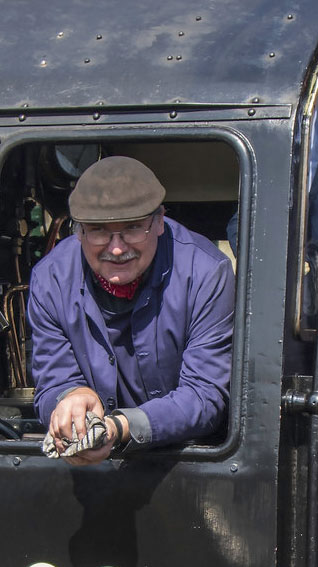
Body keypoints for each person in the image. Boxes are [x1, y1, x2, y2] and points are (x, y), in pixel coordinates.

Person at [27, 156, 234, 464]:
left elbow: (204, 396)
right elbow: (52, 383)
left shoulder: (207, 273)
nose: (117, 248)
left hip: (189, 459)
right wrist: (71, 399)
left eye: (133, 228)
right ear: (78, 231)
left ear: (160, 221)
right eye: (99, 231)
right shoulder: (50, 280)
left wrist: (119, 428)